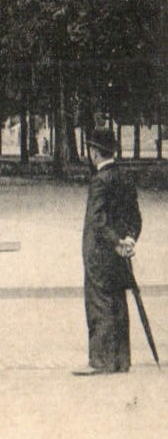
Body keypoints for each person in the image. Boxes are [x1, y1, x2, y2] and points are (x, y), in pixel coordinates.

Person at [80, 125, 142, 374]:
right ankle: (121, 360)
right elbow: (135, 216)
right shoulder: (125, 177)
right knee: (118, 303)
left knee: (100, 304)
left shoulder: (99, 181)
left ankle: (101, 361)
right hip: (120, 254)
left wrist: (115, 242)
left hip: (100, 254)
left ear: (94, 152)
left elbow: (97, 221)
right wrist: (128, 240)